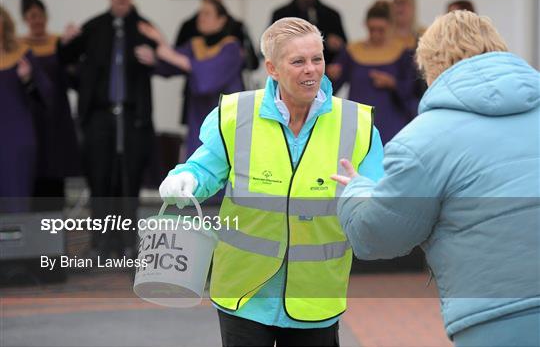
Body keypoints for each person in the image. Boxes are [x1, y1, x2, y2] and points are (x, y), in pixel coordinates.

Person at [158, 18, 384, 346]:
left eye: (317, 59)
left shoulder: (358, 124)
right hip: (244, 294)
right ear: (272, 68)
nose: (311, 70)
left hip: (315, 295)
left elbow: (380, 197)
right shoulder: (236, 114)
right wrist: (186, 178)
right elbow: (206, 168)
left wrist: (365, 194)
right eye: (298, 61)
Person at [333, 11, 540, 346]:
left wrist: (357, 189)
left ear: (429, 65)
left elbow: (377, 236)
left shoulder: (422, 140)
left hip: (495, 320)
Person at [57, 0, 156, 259]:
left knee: (130, 180)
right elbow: (65, 60)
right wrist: (64, 42)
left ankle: (128, 243)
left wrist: (155, 57)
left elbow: (162, 60)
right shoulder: (94, 27)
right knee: (99, 179)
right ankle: (102, 244)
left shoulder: (144, 28)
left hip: (132, 117)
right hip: (99, 116)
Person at [136, 0, 244, 158]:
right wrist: (155, 57)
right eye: (200, 13)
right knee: (198, 167)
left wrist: (167, 51)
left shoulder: (232, 48)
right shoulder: (195, 45)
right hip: (198, 119)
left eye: (207, 13)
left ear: (221, 20)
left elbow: (207, 79)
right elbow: (171, 62)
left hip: (224, 119)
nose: (201, 17)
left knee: (225, 168)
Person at [174, 0, 259, 135]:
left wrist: (234, 57)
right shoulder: (190, 26)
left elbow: (252, 62)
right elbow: (176, 56)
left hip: (227, 94)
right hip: (197, 97)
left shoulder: (236, 26)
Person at [20, 0, 80, 211]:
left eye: (40, 15)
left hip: (57, 119)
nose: (37, 20)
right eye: (31, 16)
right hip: (31, 119)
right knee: (32, 174)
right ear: (25, 19)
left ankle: (54, 231)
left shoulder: (58, 43)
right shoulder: (19, 47)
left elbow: (74, 78)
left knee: (56, 174)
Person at [328, 0, 417, 144]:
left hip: (392, 125)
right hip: (358, 124)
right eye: (372, 29)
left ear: (390, 26)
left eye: (380, 30)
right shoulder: (352, 51)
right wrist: (331, 75)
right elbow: (333, 87)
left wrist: (393, 83)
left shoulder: (403, 53)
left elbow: (412, 91)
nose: (375, 35)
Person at [0, 5, 51, 213]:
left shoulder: (22, 55)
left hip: (15, 137)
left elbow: (46, 94)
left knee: (15, 196)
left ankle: (15, 245)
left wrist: (28, 77)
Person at [271, 0, 347, 64]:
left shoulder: (332, 15)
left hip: (324, 75)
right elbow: (270, 47)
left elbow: (345, 50)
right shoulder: (281, 15)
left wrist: (337, 46)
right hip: (290, 74)